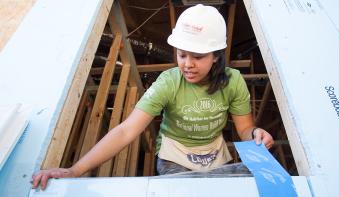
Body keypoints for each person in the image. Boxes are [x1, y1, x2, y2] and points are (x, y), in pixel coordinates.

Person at [32, 4, 274, 189]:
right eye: (181, 55)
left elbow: (245, 129)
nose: (187, 64)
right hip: (174, 154)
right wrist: (75, 171)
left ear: (216, 56)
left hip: (213, 151)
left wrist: (255, 135)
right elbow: (126, 131)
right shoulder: (168, 83)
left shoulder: (233, 82)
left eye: (198, 57)